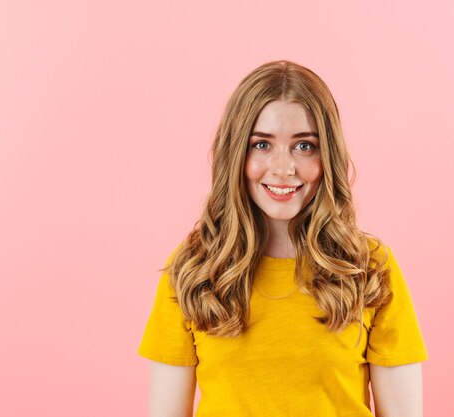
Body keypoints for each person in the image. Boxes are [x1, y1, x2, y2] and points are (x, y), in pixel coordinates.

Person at [138, 60, 428, 417]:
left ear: (328, 157)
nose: (283, 168)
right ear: (236, 153)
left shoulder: (368, 266)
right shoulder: (194, 269)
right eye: (262, 144)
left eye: (304, 146)